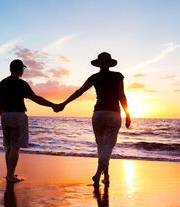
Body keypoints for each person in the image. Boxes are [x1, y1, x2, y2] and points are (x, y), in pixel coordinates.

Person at [55, 52, 131, 186]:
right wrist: (128, 114)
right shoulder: (117, 76)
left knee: (101, 146)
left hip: (98, 114)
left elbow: (79, 91)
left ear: (99, 64)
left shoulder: (94, 77)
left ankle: (106, 176)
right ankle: (97, 174)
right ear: (109, 64)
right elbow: (122, 96)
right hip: (113, 114)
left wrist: (64, 103)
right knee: (107, 146)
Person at [0, 59, 56, 183]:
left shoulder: (2, 83)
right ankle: (11, 176)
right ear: (20, 70)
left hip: (4, 115)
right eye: (23, 69)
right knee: (15, 147)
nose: (23, 71)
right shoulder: (21, 84)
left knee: (8, 147)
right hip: (17, 115)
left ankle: (9, 174)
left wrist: (2, 115)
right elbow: (35, 98)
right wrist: (52, 105)